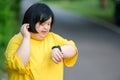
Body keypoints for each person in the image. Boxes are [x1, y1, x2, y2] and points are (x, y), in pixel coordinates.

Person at [5, 2, 78, 80]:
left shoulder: (53, 38)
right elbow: (19, 65)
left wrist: (59, 49)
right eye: (42, 24)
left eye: (48, 24)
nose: (46, 28)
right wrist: (26, 38)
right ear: (30, 23)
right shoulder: (16, 41)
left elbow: (73, 49)